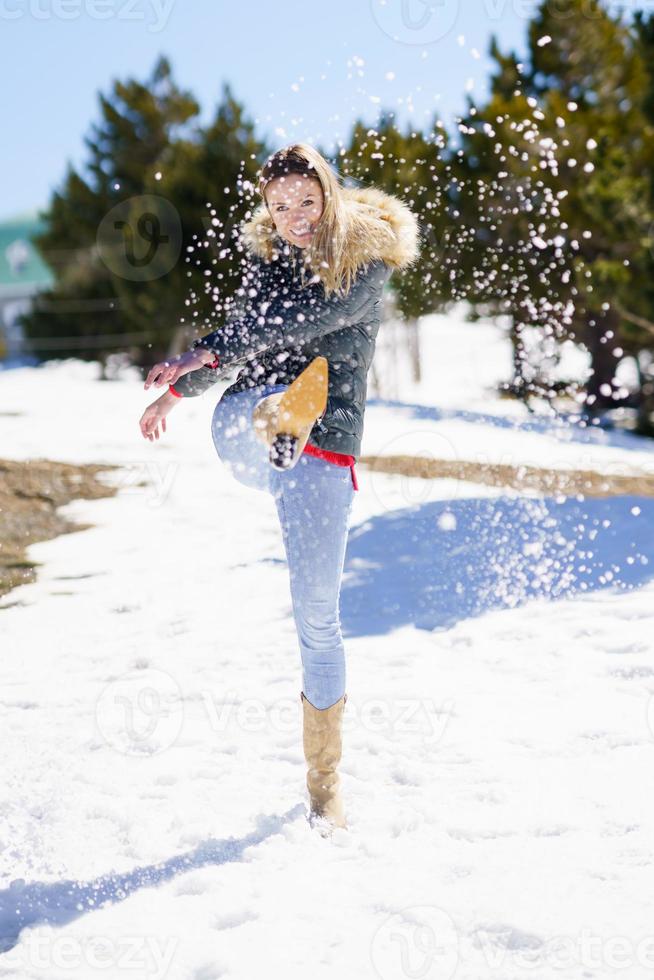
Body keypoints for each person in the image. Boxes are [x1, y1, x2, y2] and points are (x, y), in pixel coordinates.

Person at [140, 143, 420, 834]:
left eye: (306, 199)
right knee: (229, 424)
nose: (295, 216)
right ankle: (276, 415)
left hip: (325, 446)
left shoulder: (365, 257)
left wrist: (206, 350)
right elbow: (246, 335)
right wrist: (179, 389)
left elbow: (304, 324)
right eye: (279, 205)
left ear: (328, 193)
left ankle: (324, 786)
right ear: (266, 210)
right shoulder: (266, 269)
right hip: (262, 427)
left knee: (318, 618)